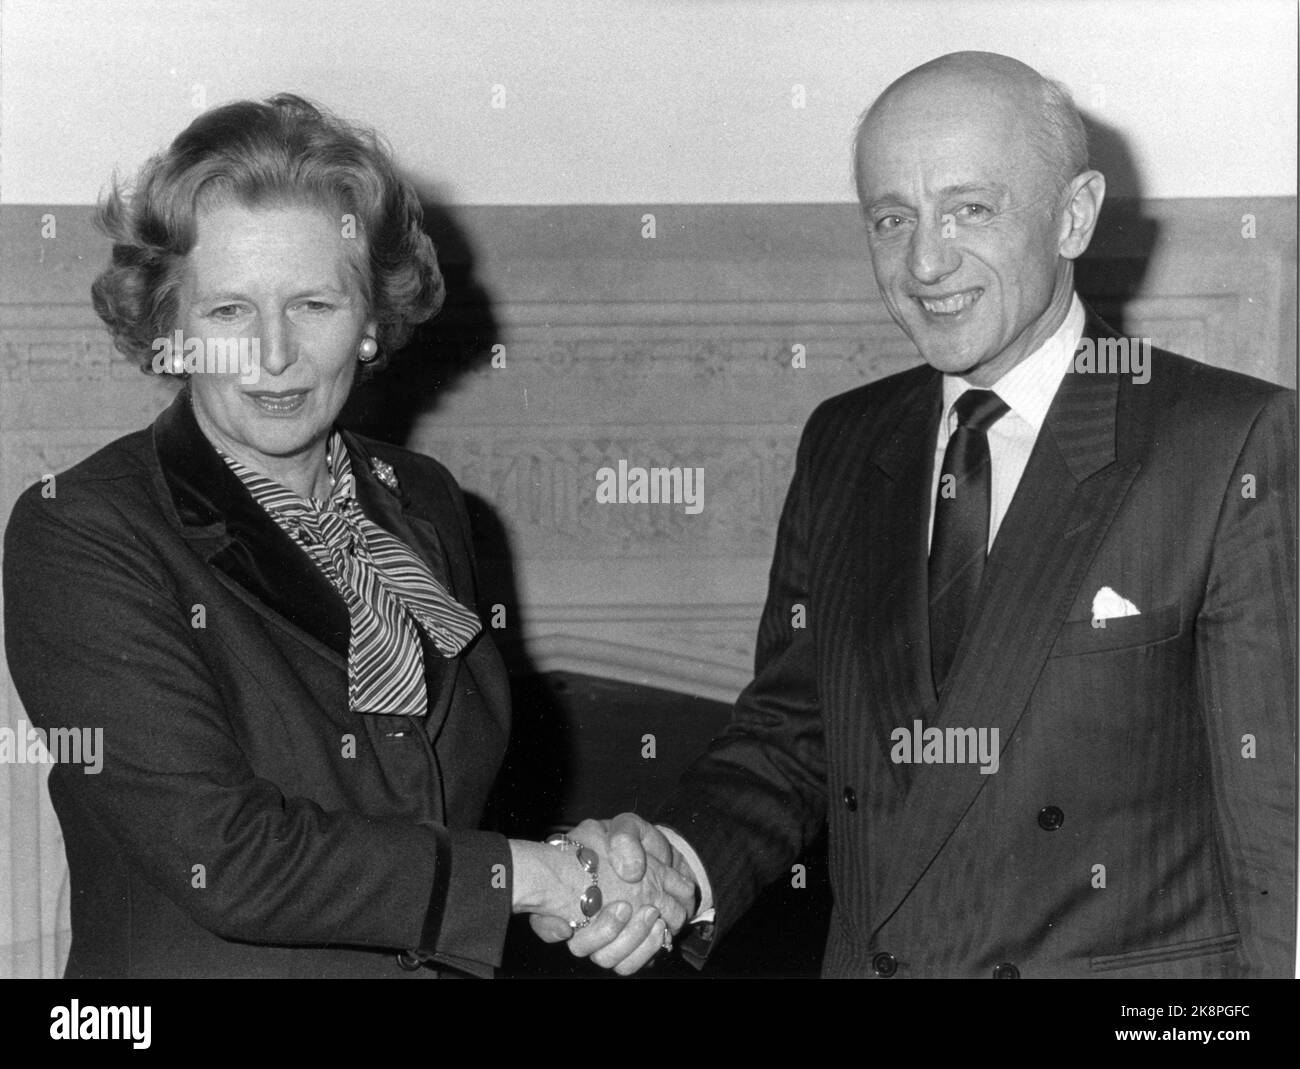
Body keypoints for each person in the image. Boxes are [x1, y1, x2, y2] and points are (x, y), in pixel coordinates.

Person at [542, 51, 1297, 977]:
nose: (926, 261)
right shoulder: (846, 442)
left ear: (1075, 214)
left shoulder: (1226, 440)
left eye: (971, 210)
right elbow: (794, 736)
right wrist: (675, 864)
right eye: (892, 218)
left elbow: (1279, 835)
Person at [2, 94, 690, 978]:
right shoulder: (85, 528)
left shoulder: (427, 501)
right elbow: (233, 855)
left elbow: (420, 815)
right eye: (227, 313)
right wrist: (538, 878)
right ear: (171, 333)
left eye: (315, 304)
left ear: (370, 323)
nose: (274, 353)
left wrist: (591, 863)